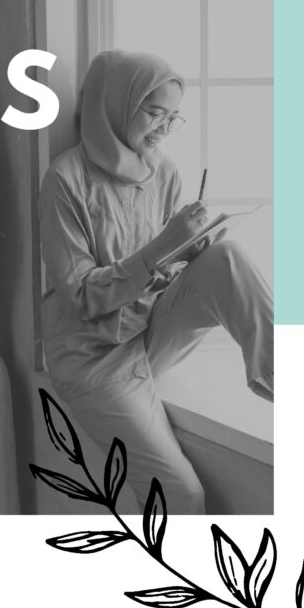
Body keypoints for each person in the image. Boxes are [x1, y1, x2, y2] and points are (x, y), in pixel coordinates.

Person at [39, 50, 273, 514]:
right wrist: (163, 245)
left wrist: (190, 248)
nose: (164, 128)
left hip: (149, 333)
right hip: (93, 358)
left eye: (173, 117)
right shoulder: (64, 180)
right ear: (117, 105)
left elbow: (159, 271)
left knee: (225, 256)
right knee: (181, 494)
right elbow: (84, 294)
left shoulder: (163, 172)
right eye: (154, 113)